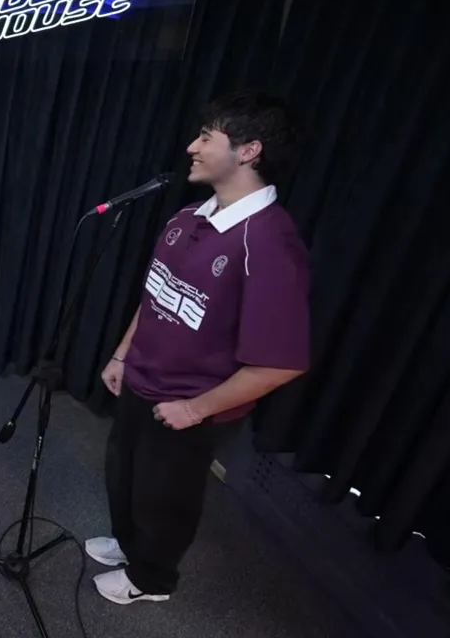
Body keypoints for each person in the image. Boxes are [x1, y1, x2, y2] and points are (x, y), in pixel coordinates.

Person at [88, 92, 309, 605]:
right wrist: (122, 355)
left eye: (206, 137)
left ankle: (151, 581)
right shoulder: (187, 216)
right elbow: (156, 294)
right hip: (141, 380)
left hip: (188, 405)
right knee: (124, 476)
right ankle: (129, 546)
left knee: (166, 498)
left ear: (249, 150)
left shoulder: (270, 243)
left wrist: (195, 408)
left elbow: (281, 363)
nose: (191, 146)